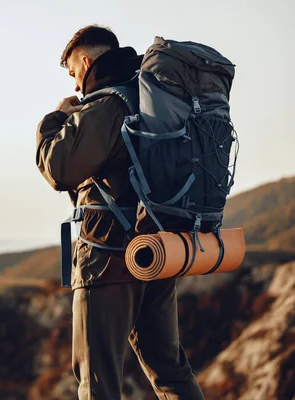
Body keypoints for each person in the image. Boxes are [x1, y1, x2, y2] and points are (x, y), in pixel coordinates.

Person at [35, 25, 205, 400]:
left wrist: (55, 120)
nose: (77, 86)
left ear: (85, 61)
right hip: (157, 249)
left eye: (73, 74)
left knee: (97, 380)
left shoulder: (107, 104)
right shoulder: (149, 99)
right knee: (170, 371)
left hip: (108, 256)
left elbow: (59, 168)